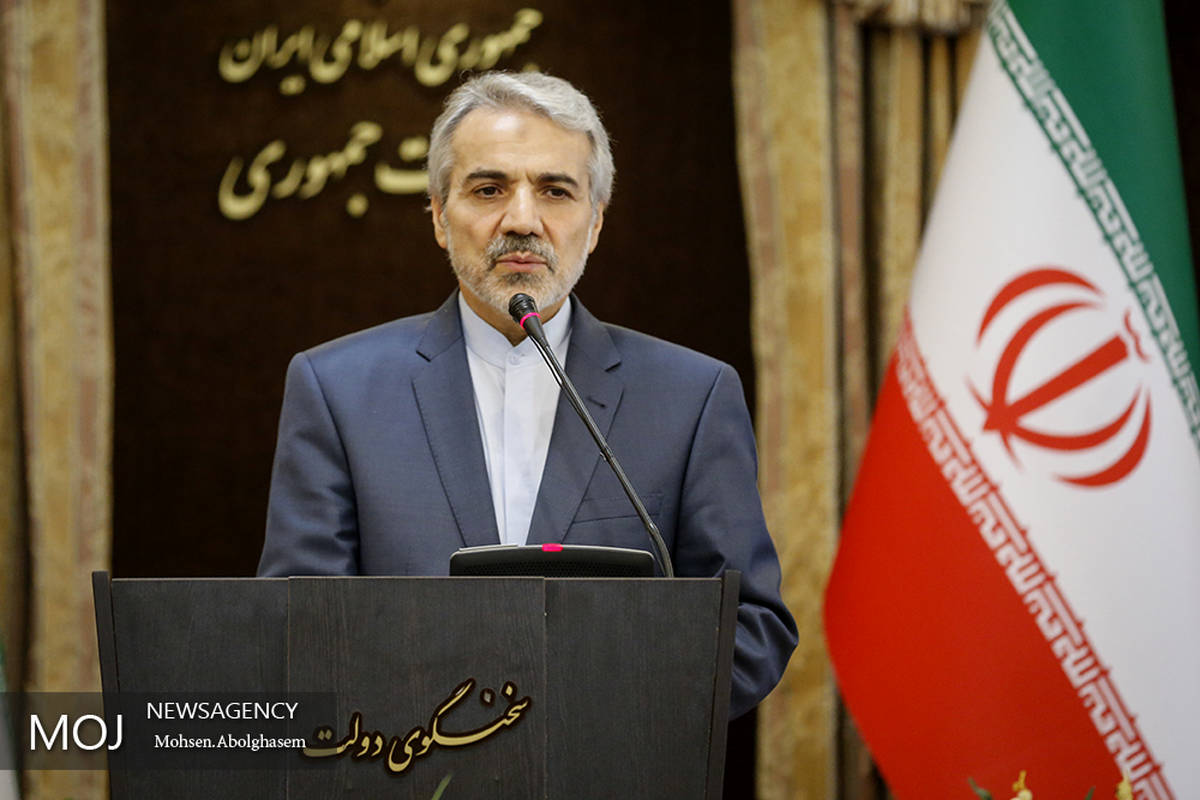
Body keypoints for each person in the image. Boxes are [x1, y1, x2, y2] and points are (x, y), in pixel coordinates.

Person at [257, 71, 796, 719]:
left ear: (595, 223)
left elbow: (751, 630)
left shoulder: (692, 397)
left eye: (555, 191)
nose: (521, 219)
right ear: (438, 215)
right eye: (488, 189)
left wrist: (581, 715)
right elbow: (295, 627)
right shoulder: (336, 390)